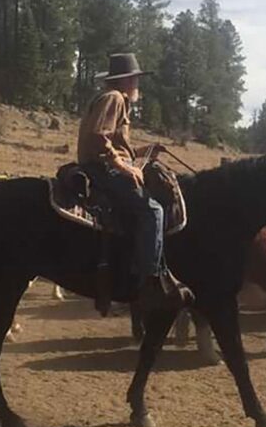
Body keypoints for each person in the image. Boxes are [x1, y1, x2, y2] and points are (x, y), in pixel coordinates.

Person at [77, 53, 193, 310]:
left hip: (99, 164)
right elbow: (98, 137)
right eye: (135, 79)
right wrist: (124, 167)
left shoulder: (108, 98)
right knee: (153, 211)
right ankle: (149, 280)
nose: (137, 84)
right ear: (127, 80)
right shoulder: (115, 98)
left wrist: (144, 151)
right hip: (101, 169)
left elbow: (115, 143)